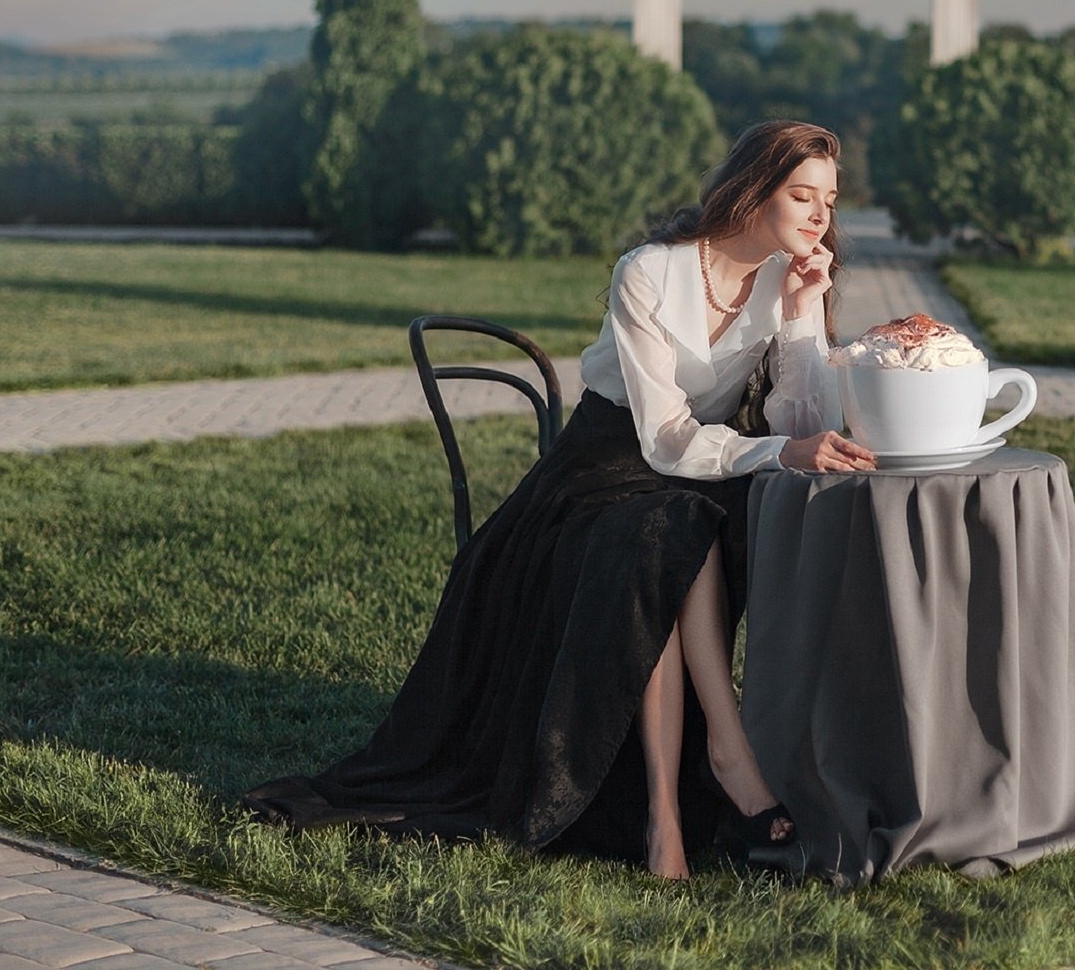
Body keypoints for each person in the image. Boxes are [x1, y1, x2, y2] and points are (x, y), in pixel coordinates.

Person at [242, 120, 876, 879]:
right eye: (802, 195)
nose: (819, 217)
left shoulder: (785, 277)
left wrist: (805, 314)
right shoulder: (649, 271)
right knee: (666, 533)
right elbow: (666, 438)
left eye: (829, 202)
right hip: (599, 472)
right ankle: (707, 778)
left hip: (694, 477)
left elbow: (803, 425)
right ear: (750, 193)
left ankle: (684, 798)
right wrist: (775, 450)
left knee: (679, 529)